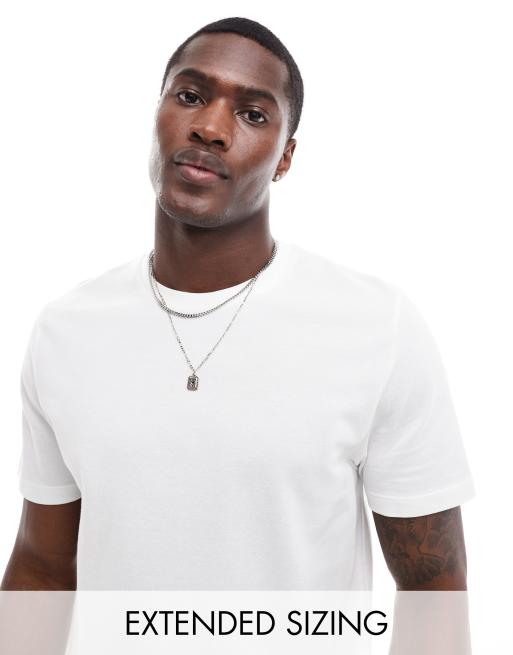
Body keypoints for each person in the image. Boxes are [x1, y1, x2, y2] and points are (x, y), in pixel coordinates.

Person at [1, 16, 474, 593]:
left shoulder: (376, 328)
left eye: (252, 114)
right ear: (157, 115)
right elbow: (42, 566)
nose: (210, 128)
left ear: (285, 158)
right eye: (190, 96)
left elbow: (433, 585)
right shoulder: (66, 331)